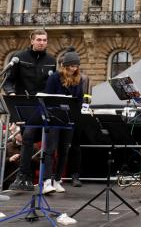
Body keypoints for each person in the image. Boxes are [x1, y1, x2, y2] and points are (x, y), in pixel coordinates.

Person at [5, 29, 56, 191]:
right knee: (26, 137)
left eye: (44, 40)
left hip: (43, 105)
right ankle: (23, 176)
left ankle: (48, 179)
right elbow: (8, 81)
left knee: (46, 140)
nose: (42, 42)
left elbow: (53, 84)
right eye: (39, 39)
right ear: (32, 40)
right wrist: (12, 95)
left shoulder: (51, 60)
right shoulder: (19, 58)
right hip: (24, 104)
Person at [43, 47, 83, 194]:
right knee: (50, 149)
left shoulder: (78, 80)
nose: (74, 69)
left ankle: (58, 179)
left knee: (64, 150)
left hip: (69, 119)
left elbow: (79, 99)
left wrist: (76, 115)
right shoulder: (54, 77)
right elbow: (48, 96)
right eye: (72, 66)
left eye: (76, 66)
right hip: (54, 118)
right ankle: (47, 180)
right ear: (65, 66)